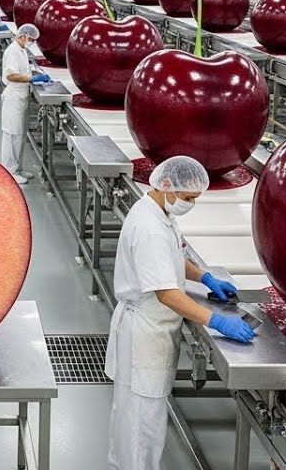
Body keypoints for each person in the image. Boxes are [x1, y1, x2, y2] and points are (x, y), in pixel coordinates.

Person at [105, 156, 257, 470]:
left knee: (139, 419)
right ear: (167, 185)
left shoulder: (159, 213)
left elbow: (173, 257)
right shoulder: (150, 229)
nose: (191, 204)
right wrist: (216, 321)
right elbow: (167, 294)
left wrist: (205, 277)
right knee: (142, 423)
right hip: (144, 336)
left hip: (152, 330)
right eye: (189, 198)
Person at [0, 24, 47, 184]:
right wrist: (31, 79)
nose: (31, 42)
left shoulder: (21, 51)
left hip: (21, 98)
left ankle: (18, 169)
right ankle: (9, 172)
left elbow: (24, 70)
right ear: (23, 36)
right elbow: (11, 75)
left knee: (19, 136)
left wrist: (35, 73)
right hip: (13, 98)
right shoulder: (12, 51)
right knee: (12, 136)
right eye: (31, 39)